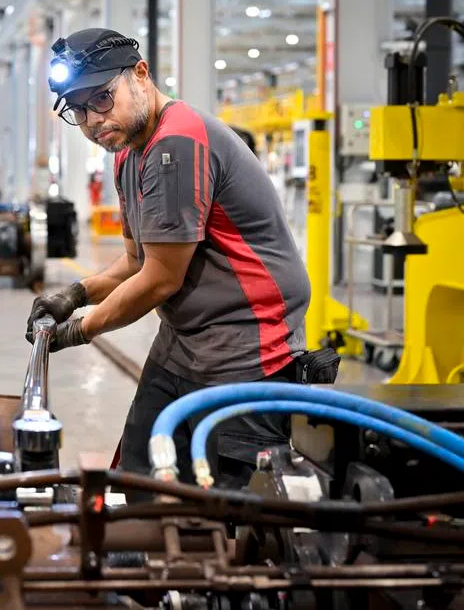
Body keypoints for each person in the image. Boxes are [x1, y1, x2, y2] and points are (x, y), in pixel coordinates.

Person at [26, 28, 311, 488]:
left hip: (244, 350)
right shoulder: (128, 152)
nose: (93, 121)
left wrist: (80, 330)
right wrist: (74, 295)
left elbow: (160, 281)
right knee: (140, 482)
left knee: (227, 514)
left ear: (141, 75)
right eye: (77, 110)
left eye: (101, 99)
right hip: (185, 343)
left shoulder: (176, 143)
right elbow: (137, 260)